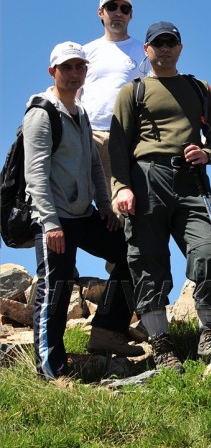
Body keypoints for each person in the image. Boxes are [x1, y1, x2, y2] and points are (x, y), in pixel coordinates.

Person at [110, 22, 211, 373]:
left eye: (170, 42)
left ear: (180, 48)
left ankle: (209, 335)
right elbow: (118, 144)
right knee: (147, 261)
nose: (164, 48)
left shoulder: (197, 88)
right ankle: (161, 344)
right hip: (146, 179)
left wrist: (208, 153)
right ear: (146, 49)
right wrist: (121, 186)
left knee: (209, 252)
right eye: (158, 43)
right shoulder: (133, 91)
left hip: (191, 179)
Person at [26, 42, 141, 379]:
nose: (74, 73)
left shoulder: (81, 111)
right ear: (53, 72)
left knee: (131, 254)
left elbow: (93, 163)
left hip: (84, 214)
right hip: (55, 218)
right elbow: (35, 173)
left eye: (80, 67)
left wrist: (104, 205)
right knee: (56, 291)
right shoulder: (41, 112)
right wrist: (50, 223)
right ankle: (52, 373)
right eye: (67, 68)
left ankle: (107, 329)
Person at [81, 0, 148, 199]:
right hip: (88, 134)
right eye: (112, 7)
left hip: (124, 137)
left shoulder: (145, 52)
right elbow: (73, 93)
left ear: (131, 15)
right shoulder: (85, 52)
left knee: (119, 206)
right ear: (100, 12)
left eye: (124, 8)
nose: (118, 12)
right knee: (76, 201)